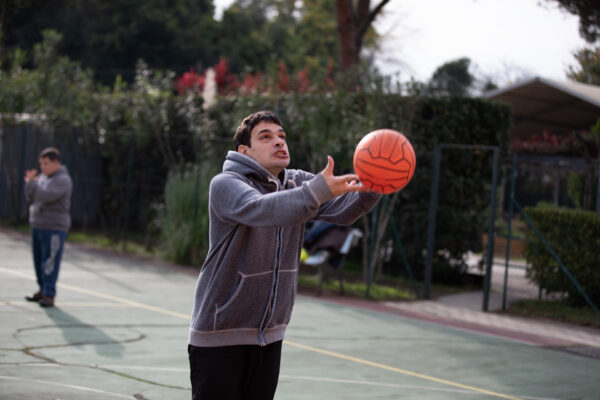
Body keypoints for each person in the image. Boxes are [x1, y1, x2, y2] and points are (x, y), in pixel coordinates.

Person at [188, 111, 381, 400]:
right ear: (245, 151)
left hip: (271, 336)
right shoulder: (225, 183)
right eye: (266, 137)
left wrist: (376, 184)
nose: (278, 141)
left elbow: (345, 211)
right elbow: (262, 209)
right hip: (219, 336)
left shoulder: (297, 183)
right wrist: (317, 191)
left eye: (282, 136)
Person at [24, 147, 73, 308]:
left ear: (56, 162)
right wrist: (30, 183)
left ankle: (49, 294)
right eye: (41, 164)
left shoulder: (63, 180)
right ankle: (42, 289)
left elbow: (45, 196)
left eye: (46, 163)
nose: (42, 167)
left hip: (54, 228)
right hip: (38, 224)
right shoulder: (43, 178)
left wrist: (33, 184)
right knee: (38, 261)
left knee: (49, 262)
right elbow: (31, 196)